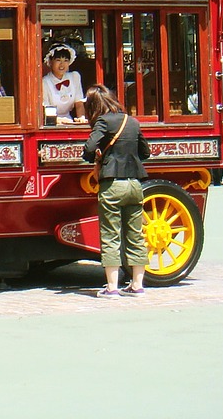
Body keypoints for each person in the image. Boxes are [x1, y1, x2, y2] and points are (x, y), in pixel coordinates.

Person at [82, 84, 150, 299]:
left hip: (112, 184)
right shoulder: (132, 121)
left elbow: (89, 148)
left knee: (111, 235)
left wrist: (97, 157)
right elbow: (145, 152)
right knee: (135, 235)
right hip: (135, 184)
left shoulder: (103, 121)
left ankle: (112, 287)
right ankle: (137, 285)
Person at [42, 43, 87, 123]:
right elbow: (46, 111)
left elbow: (79, 103)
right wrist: (59, 120)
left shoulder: (75, 77)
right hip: (52, 124)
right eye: (58, 60)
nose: (62, 64)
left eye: (65, 60)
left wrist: (81, 118)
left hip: (70, 122)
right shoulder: (45, 82)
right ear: (51, 62)